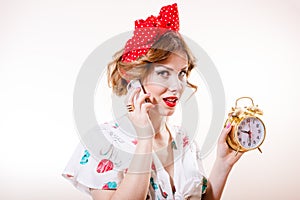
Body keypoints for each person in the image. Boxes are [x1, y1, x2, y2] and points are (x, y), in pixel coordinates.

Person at [62, 3, 243, 200]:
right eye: (164, 73)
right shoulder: (103, 141)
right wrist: (144, 138)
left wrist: (223, 163)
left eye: (181, 73)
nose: (177, 86)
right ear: (133, 76)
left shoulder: (184, 141)